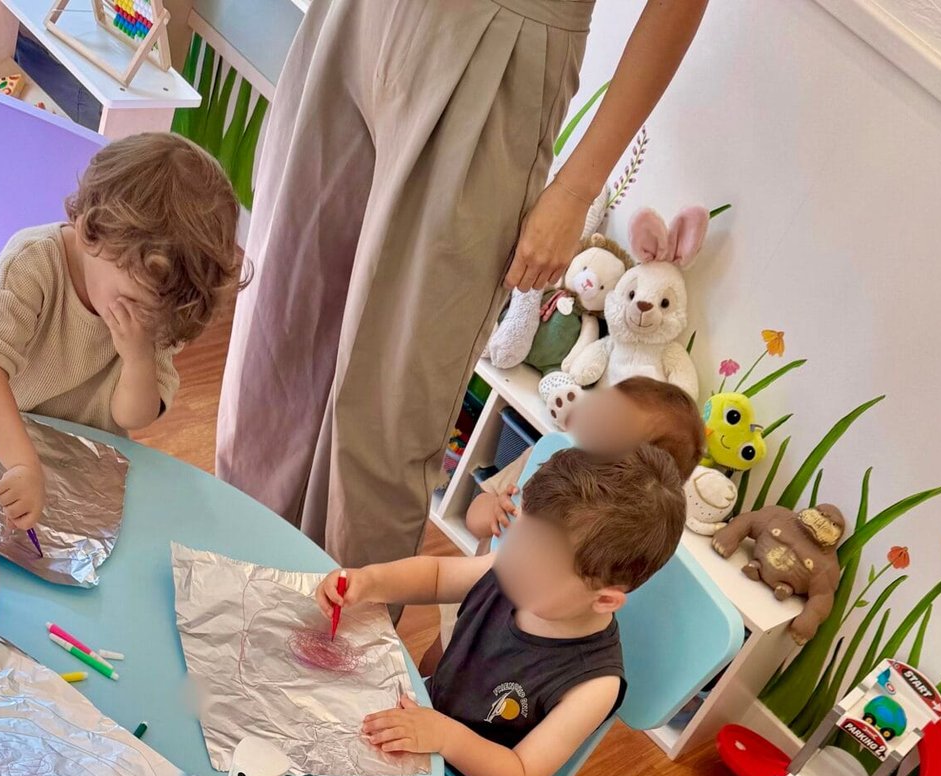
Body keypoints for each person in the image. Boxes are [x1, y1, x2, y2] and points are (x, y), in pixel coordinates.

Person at [219, 0, 712, 564]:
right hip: (352, 20)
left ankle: (336, 614)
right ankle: (224, 568)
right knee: (274, 345)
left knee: (386, 415)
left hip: (497, 49)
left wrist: (577, 190)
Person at [318, 444, 684, 776]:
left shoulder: (594, 685)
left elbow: (520, 771)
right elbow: (436, 576)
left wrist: (446, 737)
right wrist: (370, 581)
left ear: (604, 600)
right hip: (430, 716)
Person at [0, 134, 242, 532]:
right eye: (131, 301)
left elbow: (132, 417)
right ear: (89, 232)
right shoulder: (33, 262)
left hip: (80, 468)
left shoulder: (158, 308)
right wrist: (22, 464)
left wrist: (138, 358)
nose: (143, 319)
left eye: (157, 313)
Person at [467, 375, 704, 547]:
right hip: (483, 583)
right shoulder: (544, 459)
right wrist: (495, 509)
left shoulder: (625, 532)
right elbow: (474, 518)